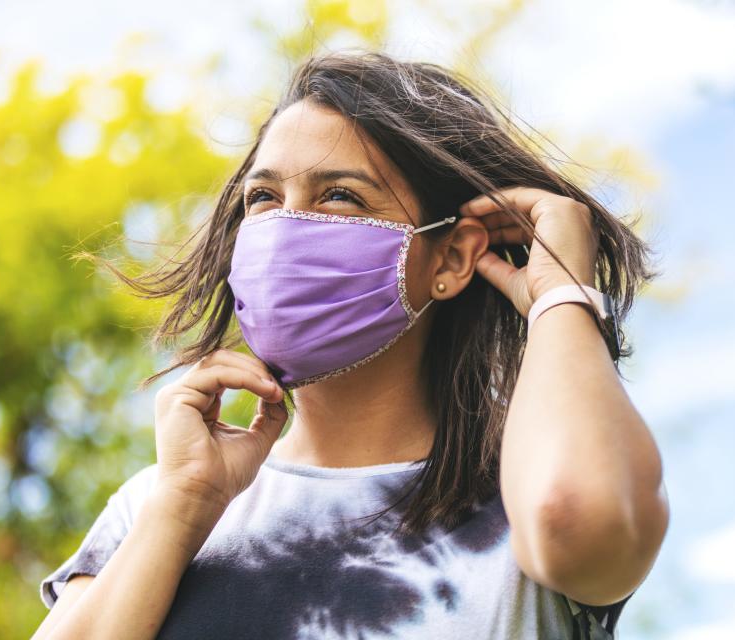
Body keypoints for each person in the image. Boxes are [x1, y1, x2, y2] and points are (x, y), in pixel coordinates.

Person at [33, 50, 669, 640]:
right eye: (263, 197)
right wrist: (183, 507)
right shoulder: (158, 502)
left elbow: (575, 515)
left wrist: (560, 296)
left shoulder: (521, 500)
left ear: (448, 256)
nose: (285, 229)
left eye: (339, 195)